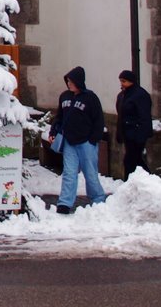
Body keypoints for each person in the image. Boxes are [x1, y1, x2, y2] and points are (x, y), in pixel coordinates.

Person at [49, 66, 107, 213]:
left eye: (72, 81)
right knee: (69, 172)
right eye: (68, 81)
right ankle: (65, 203)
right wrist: (54, 130)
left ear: (79, 82)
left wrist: (93, 139)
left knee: (90, 173)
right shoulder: (64, 96)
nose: (69, 84)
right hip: (69, 141)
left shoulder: (91, 98)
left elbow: (98, 120)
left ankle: (98, 199)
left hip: (86, 142)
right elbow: (60, 116)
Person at [115, 69, 153, 179]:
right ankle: (143, 181)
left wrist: (141, 135)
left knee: (132, 160)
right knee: (133, 160)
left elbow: (144, 116)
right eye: (121, 81)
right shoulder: (122, 95)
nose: (122, 84)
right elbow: (121, 115)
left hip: (136, 133)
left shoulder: (140, 95)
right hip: (127, 133)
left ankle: (142, 180)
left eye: (124, 81)